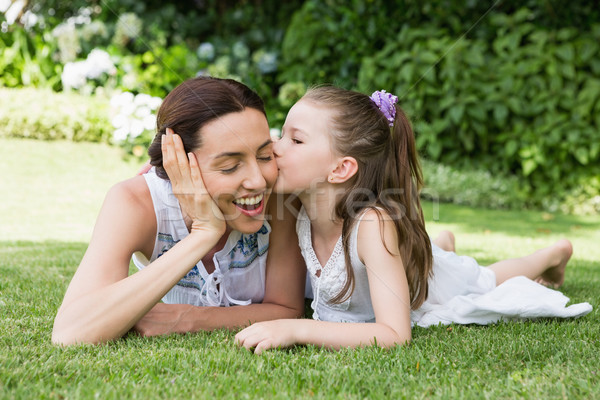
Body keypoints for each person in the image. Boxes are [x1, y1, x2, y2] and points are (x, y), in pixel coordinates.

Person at [235, 86, 592, 353]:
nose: (275, 145)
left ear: (341, 169)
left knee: (483, 278)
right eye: (282, 132)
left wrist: (296, 330)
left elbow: (394, 334)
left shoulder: (371, 227)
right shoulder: (293, 205)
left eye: (295, 140)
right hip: (395, 264)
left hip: (430, 284)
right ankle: (440, 247)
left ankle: (554, 253)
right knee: (442, 260)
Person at [52, 77, 306, 345]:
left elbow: (287, 309)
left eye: (265, 156)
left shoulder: (279, 196)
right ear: (179, 165)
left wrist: (188, 318)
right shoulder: (136, 203)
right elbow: (71, 333)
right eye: (230, 166)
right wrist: (204, 233)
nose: (258, 181)